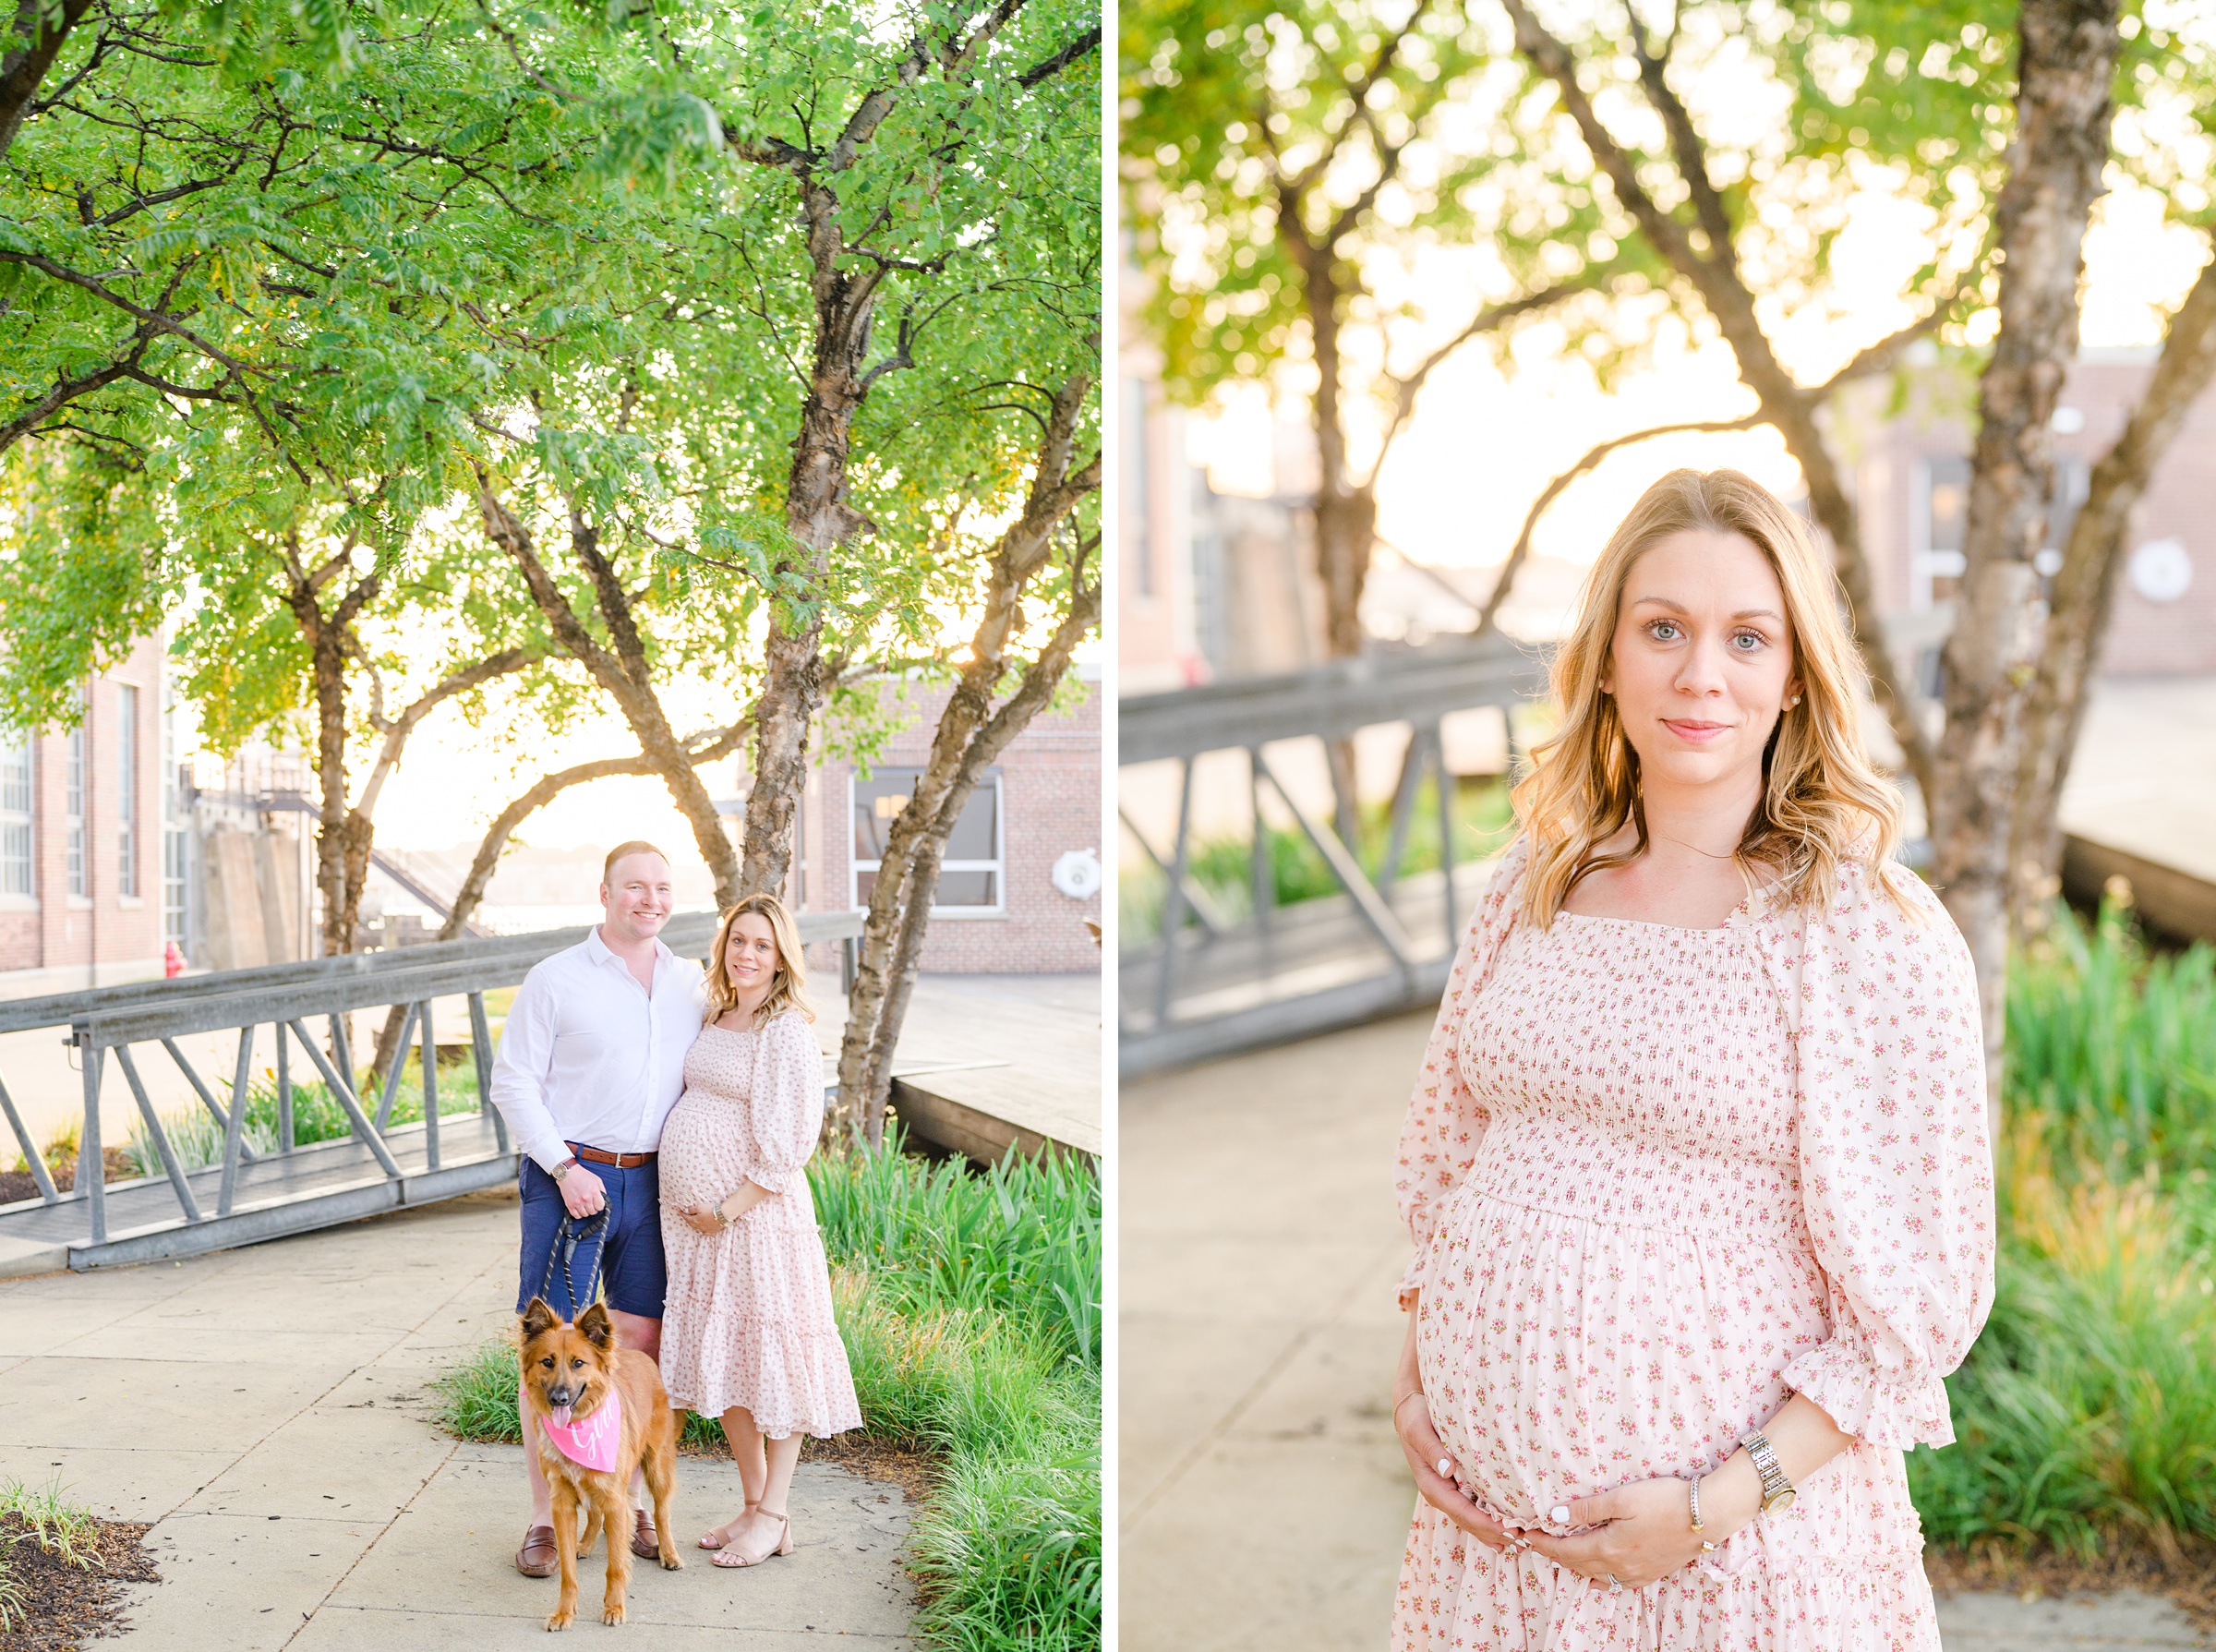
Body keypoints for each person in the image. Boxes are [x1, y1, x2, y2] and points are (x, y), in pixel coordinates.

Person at [1390, 470, 1996, 1647]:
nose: (1700, 673)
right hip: (1492, 1563)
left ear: (1794, 675)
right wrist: (1418, 1383)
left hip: (1739, 1566)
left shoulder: (1863, 928)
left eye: (1746, 637)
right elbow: (1451, 1164)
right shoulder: (1535, 884)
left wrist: (1716, 1506)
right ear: (1608, 657)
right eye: (1663, 627)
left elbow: (1914, 1306)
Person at [488, 840, 705, 1579]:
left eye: (662, 887)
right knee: (553, 1351)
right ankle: (548, 1518)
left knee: (634, 1346)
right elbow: (513, 1081)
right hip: (568, 1177)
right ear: (605, 893)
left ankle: (624, 1501)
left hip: (652, 1183)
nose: (650, 898)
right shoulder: (557, 979)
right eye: (635, 886)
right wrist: (563, 1164)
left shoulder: (689, 982)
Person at [656, 891, 861, 1569]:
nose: (746, 953)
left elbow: (791, 1145)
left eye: (761, 945)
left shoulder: (786, 1031)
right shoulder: (718, 1012)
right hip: (698, 1230)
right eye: (737, 940)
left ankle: (774, 1512)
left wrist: (727, 1210)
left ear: (782, 959)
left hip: (754, 1222)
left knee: (776, 1362)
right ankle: (753, 1507)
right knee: (732, 1364)